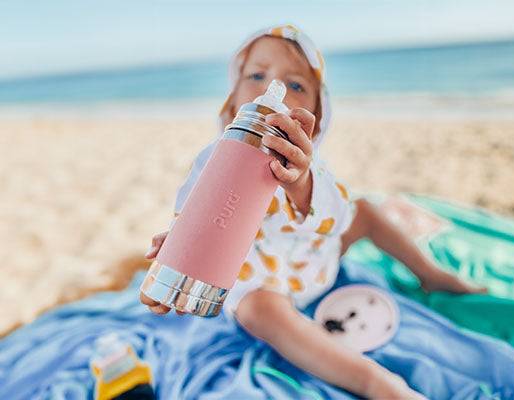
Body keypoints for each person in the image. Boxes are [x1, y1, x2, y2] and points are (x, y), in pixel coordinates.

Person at [140, 25, 486, 399]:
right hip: (262, 283)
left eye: (297, 85)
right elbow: (191, 211)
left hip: (315, 262)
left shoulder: (310, 164)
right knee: (257, 312)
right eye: (256, 75)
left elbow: (337, 217)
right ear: (233, 100)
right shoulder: (216, 158)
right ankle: (375, 381)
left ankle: (430, 273)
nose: (274, 88)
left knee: (365, 210)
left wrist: (300, 182)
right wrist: (177, 257)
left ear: (316, 117)